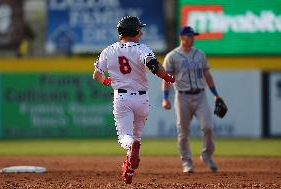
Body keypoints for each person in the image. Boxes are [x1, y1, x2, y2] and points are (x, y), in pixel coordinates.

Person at [93, 16, 175, 184]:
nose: (141, 32)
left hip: (122, 97)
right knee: (136, 137)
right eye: (140, 29)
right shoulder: (141, 48)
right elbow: (153, 66)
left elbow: (97, 75)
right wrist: (167, 77)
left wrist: (108, 81)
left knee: (125, 137)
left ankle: (131, 149)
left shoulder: (109, 50)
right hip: (142, 99)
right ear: (136, 31)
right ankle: (129, 170)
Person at [162, 26, 224, 173]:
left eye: (193, 36)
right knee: (183, 133)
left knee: (208, 127)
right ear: (182, 37)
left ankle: (207, 155)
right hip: (182, 96)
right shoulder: (172, 56)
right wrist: (165, 98)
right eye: (189, 36)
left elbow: (207, 75)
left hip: (200, 95)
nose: (192, 38)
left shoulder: (200, 54)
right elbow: (166, 79)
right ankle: (187, 162)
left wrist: (216, 94)